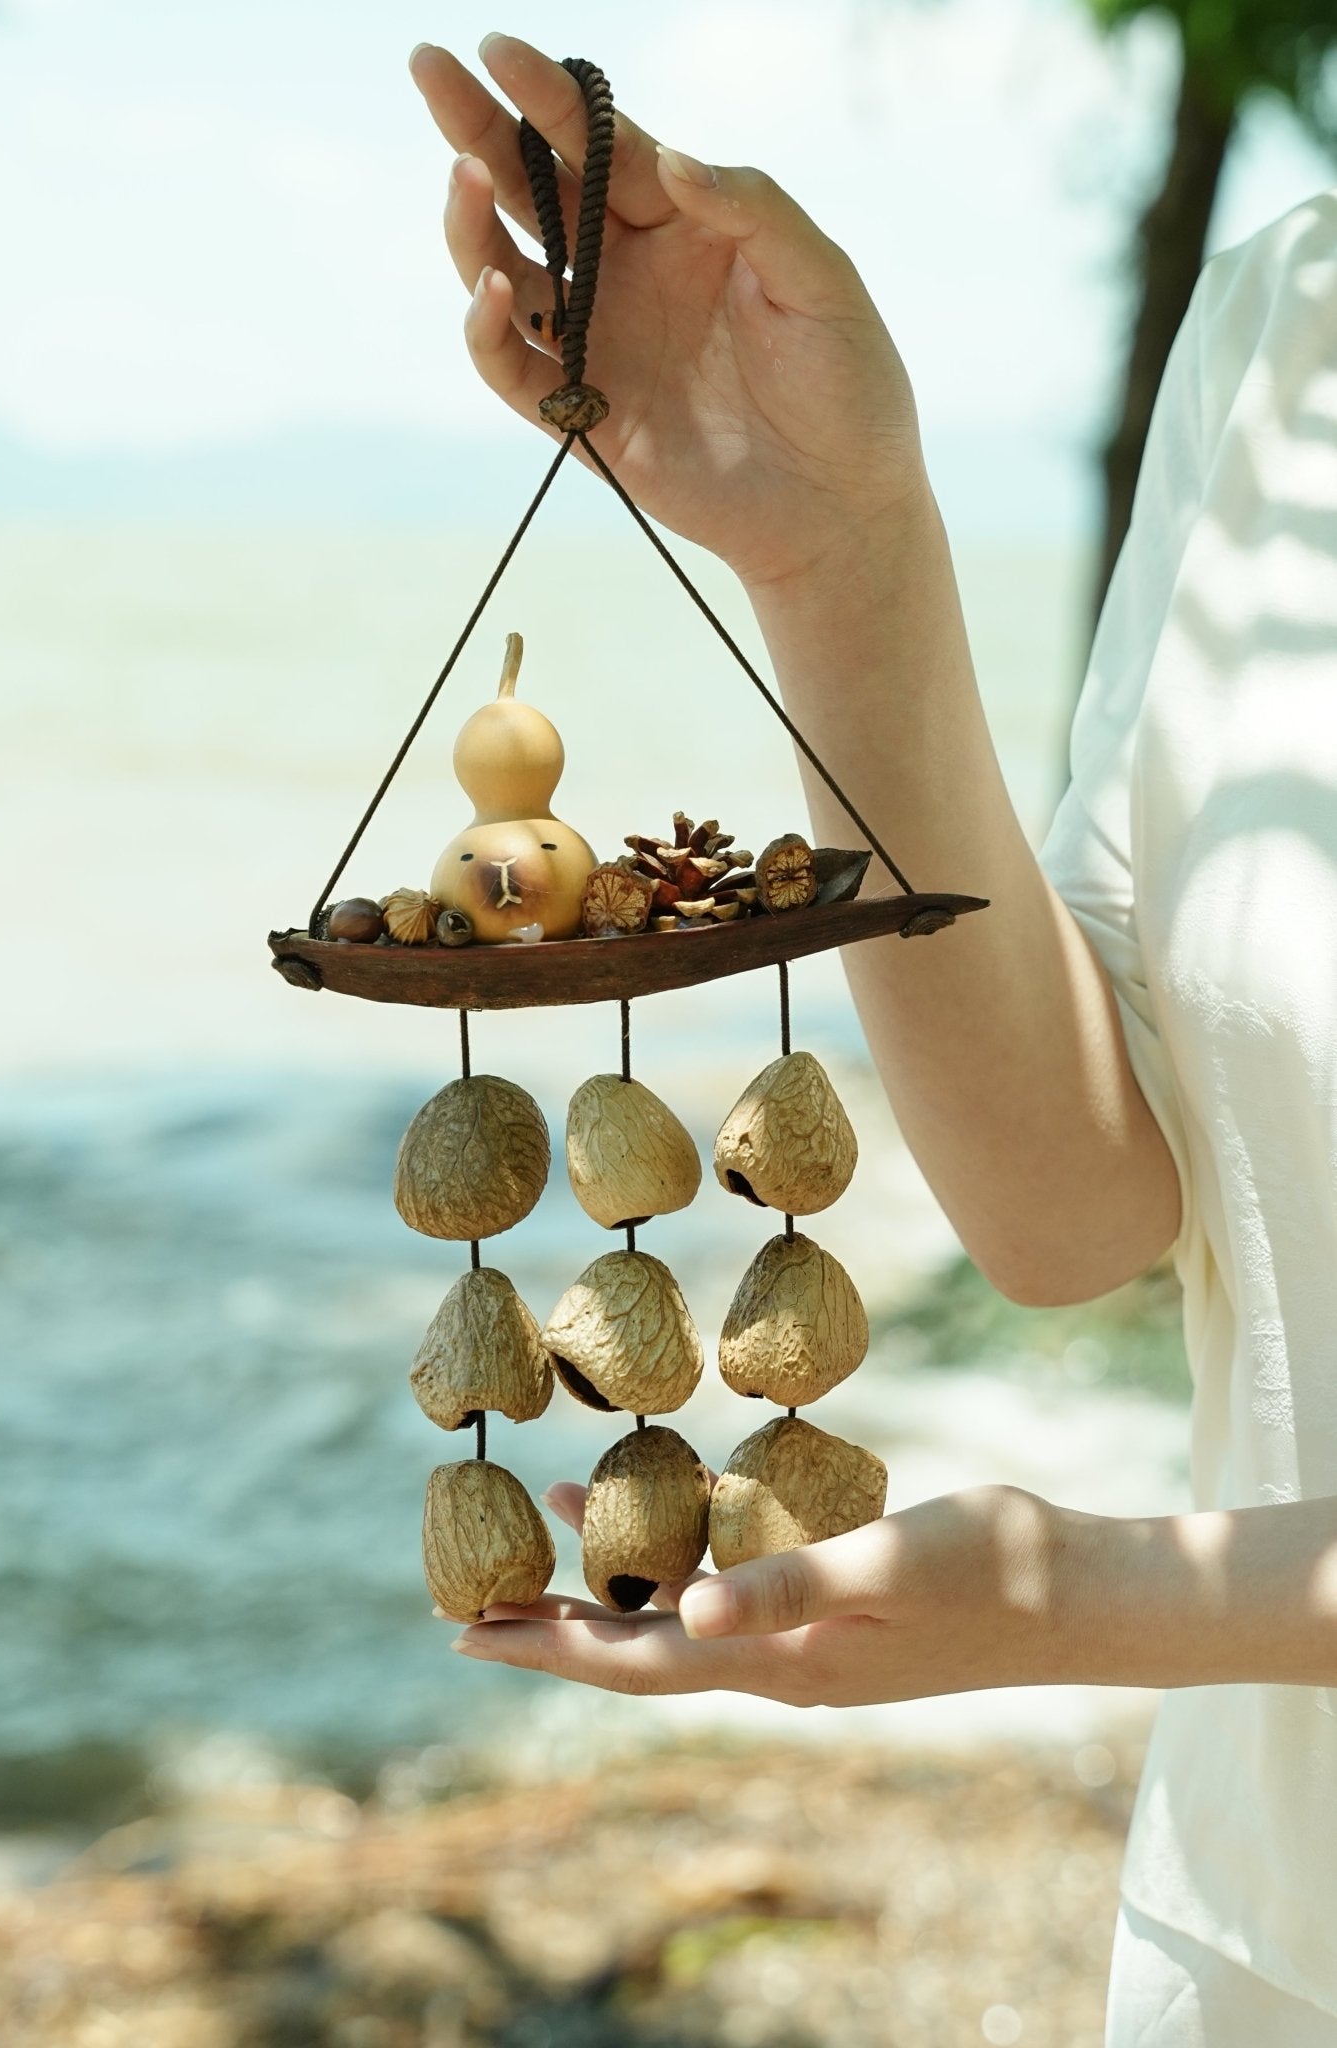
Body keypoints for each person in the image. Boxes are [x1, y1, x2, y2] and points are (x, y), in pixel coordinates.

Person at [410, 34, 1337, 2043]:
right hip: (1265, 1927)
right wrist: (835, 549)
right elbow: (1077, 1209)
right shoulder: (1287, 320)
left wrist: (1088, 1597)